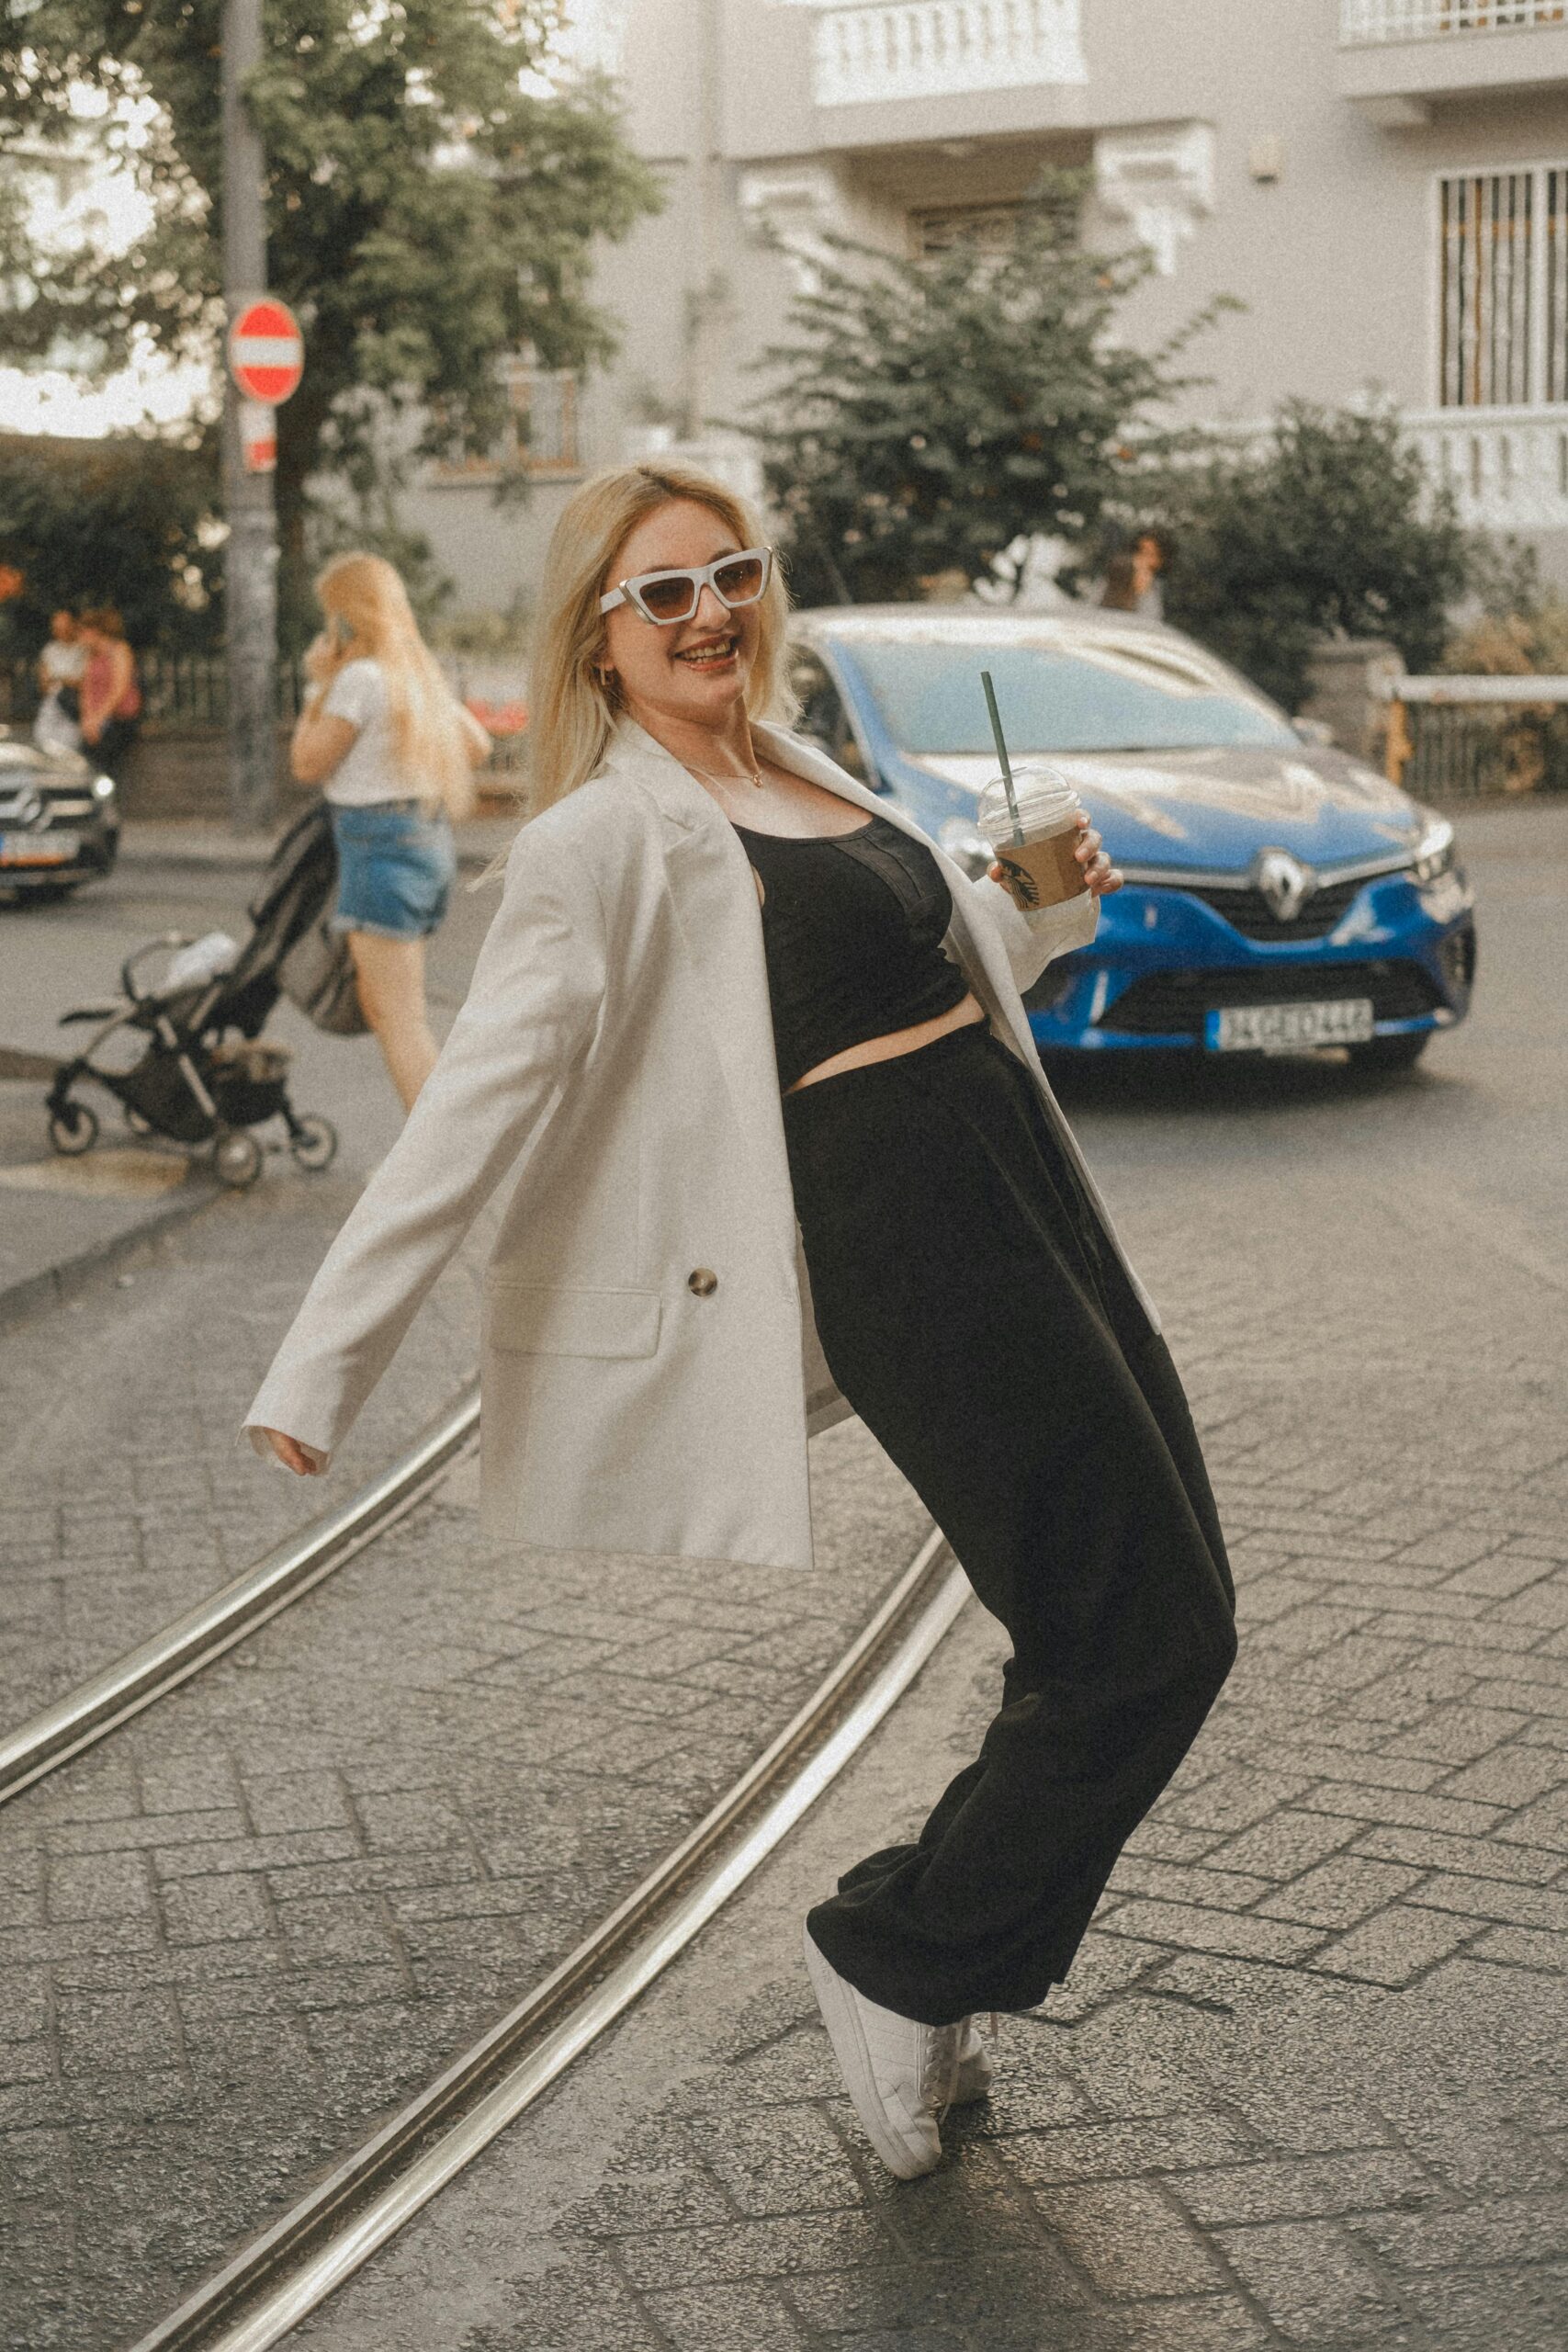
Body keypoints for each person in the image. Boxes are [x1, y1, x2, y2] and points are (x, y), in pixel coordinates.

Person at [244, 462, 1236, 2182]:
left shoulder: (797, 765)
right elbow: (473, 1111)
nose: (710, 612)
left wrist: (1026, 894)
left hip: (1024, 1190)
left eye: (731, 575)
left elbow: (908, 968)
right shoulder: (599, 839)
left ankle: (926, 1952)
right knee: (1134, 1634)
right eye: (665, 593)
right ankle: (897, 1957)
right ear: (601, 639)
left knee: (1172, 1608)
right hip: (909, 1246)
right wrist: (324, 1366)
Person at [288, 553, 491, 1111]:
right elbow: (477, 744)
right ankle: (433, 1158)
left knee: (403, 1025)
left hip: (378, 856)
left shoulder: (358, 680)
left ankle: (437, 1169)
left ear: (348, 615)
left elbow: (307, 764)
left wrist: (316, 689)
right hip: (423, 845)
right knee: (388, 1012)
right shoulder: (412, 677)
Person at [77, 608, 141, 776]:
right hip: (97, 720)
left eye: (83, 632)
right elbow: (86, 690)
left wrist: (99, 719)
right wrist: (88, 718)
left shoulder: (119, 650)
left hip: (118, 718)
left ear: (95, 632)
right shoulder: (91, 656)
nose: (80, 637)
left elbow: (118, 689)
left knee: (112, 766)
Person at [34, 609, 85, 754]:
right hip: (52, 705)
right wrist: (65, 679)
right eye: (56, 628)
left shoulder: (83, 649)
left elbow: (83, 682)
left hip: (73, 706)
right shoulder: (50, 650)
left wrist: (59, 678)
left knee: (70, 748)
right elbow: (44, 684)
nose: (60, 631)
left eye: (64, 627)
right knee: (44, 744)